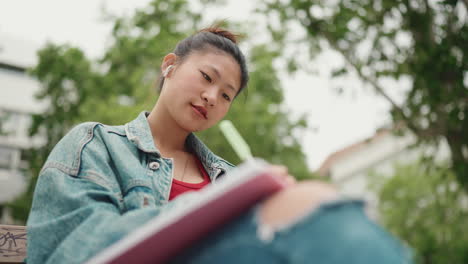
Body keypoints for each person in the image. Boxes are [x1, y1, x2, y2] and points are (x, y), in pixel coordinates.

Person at [26, 26, 413, 264]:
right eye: (207, 77)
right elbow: (70, 250)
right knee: (311, 204)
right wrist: (202, 212)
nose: (212, 97)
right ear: (170, 66)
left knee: (312, 207)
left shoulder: (228, 177)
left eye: (227, 95)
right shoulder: (94, 143)